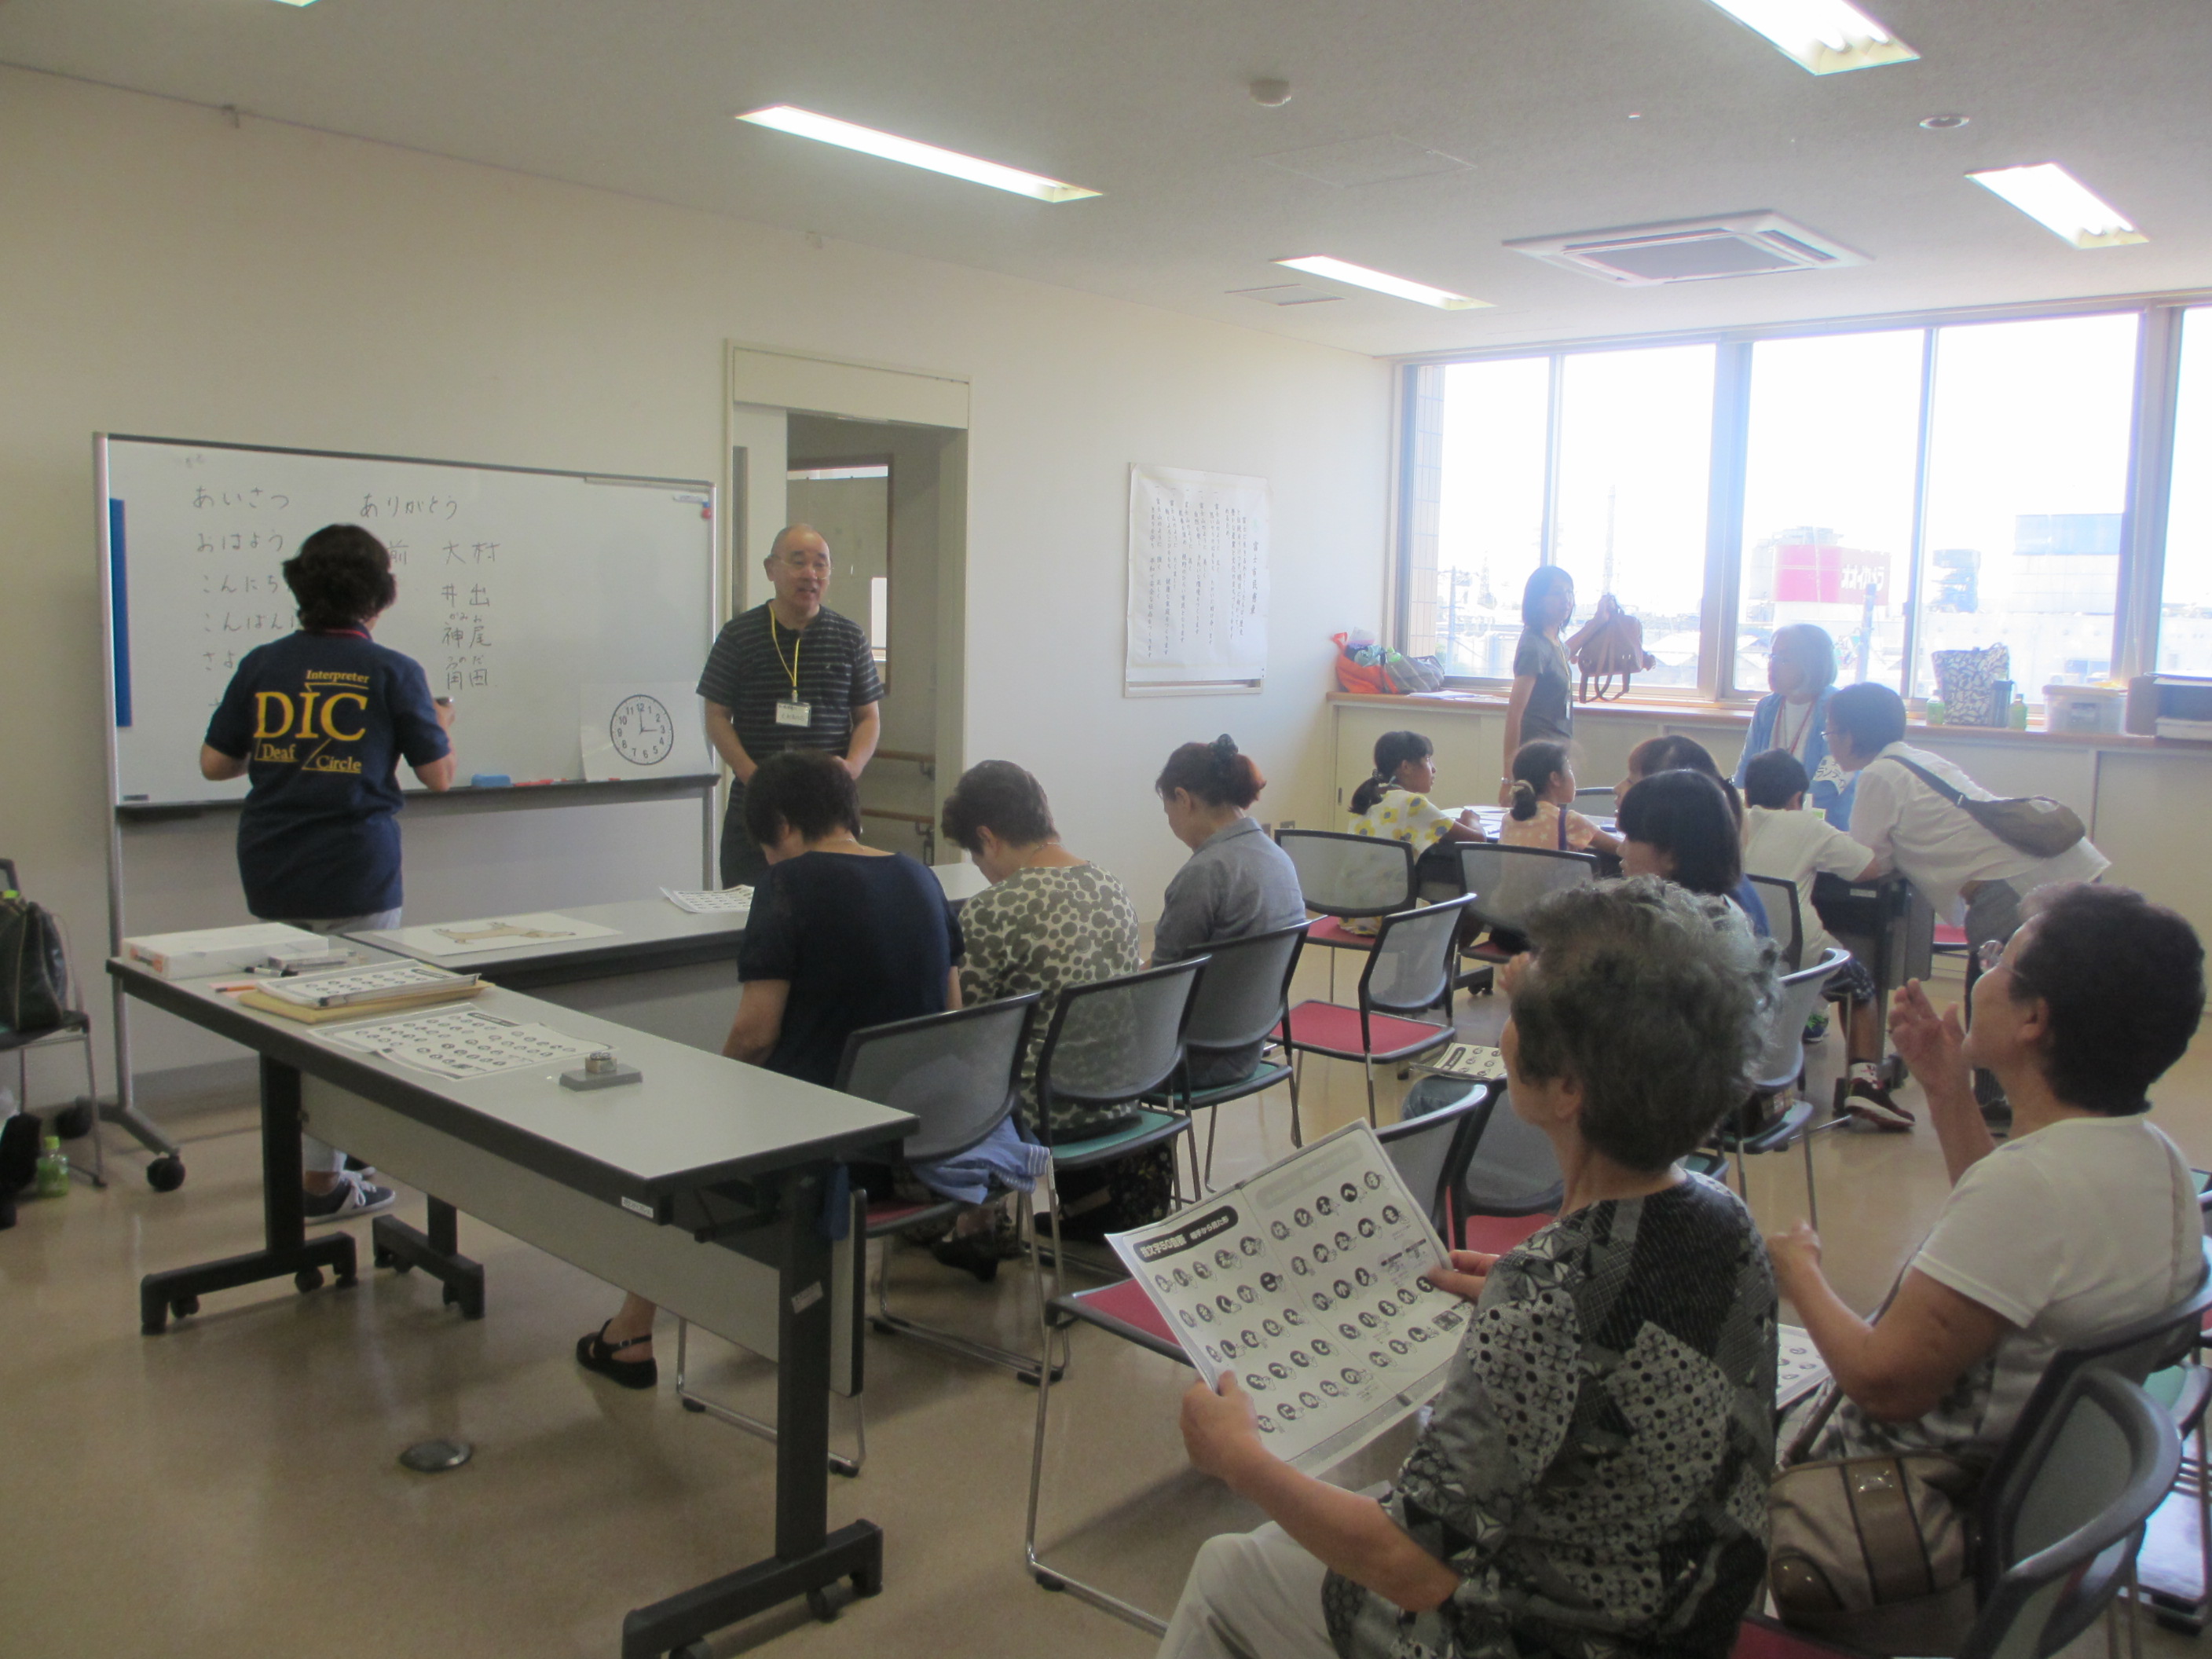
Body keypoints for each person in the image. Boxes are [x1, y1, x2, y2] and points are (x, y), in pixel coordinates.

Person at [1160, 879, 1779, 1659]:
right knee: (1297, 1539)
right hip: (1684, 1619)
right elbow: (1641, 1355)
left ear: (1567, 1089)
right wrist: (1531, 1309)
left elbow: (1411, 1567)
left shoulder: (1549, 1292)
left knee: (1228, 1568)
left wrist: (1240, 1459)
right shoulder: (1728, 1223)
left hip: (1546, 1638)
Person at [1771, 885, 2202, 1493]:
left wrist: (1800, 1272)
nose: (1985, 968)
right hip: (2035, 1482)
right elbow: (2015, 1245)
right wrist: (1949, 1090)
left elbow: (1882, 1384)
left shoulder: (2029, 1190)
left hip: (1888, 1503)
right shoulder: (2158, 1160)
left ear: (2034, 1019)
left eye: (2000, 959)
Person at [576, 749, 958, 1388]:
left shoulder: (790, 886)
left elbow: (755, 1035)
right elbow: (952, 1013)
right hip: (915, 1137)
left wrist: (713, 1092)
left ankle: (632, 1332)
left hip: (820, 1146)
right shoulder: (921, 878)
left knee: (677, 1146)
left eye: (766, 847)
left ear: (781, 825)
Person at [200, 524, 454, 1223]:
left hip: (274, 865)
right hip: (354, 870)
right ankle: (320, 1184)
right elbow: (438, 775)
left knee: (295, 1018)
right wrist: (439, 721)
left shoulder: (263, 664)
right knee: (350, 1027)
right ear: (381, 595)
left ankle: (330, 1156)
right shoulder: (392, 670)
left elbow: (216, 764)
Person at [1822, 682, 2109, 1128]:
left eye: (1831, 732)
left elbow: (1867, 862)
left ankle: (1997, 1101)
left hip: (2015, 884)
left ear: (1852, 734)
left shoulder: (1879, 775)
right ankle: (2053, 1096)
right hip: (2061, 866)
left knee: (1996, 991)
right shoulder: (1918, 759)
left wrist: (1821, 846)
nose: (1829, 741)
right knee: (2052, 993)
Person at [941, 760, 1141, 1131]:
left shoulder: (993, 908)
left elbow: (962, 1035)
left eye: (976, 856)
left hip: (1036, 1112)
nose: (983, 871)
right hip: (1120, 1099)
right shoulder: (1111, 886)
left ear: (987, 838)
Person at [696, 524, 882, 892]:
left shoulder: (849, 636)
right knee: (751, 903)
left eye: (820, 564)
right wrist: (751, 774)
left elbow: (868, 717)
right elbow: (716, 715)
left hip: (828, 807)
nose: (810, 574)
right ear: (771, 569)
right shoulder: (738, 635)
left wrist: (852, 766)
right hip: (758, 801)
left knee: (830, 904)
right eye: (798, 563)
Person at [1741, 750, 1902, 1129]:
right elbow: (1867, 868)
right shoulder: (1809, 826)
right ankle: (1864, 1082)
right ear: (1797, 797)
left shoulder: (1733, 821)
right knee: (1859, 983)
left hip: (1742, 951)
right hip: (1797, 955)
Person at [1152, 736, 1308, 1086]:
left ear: (1183, 799)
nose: (1171, 823)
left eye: (1168, 811)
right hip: (1249, 1046)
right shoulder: (1278, 859)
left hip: (1185, 1059)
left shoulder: (1205, 872)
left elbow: (1161, 983)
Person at [1347, 731, 1488, 916]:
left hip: (1351, 912)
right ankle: (1457, 937)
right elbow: (1478, 839)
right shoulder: (1412, 803)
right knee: (1474, 902)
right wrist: (1471, 818)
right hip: (1389, 915)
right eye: (1428, 759)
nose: (1434, 768)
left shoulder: (1369, 797)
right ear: (1406, 767)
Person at [1617, 769, 1769, 936]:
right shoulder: (1725, 908)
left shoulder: (1670, 933)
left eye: (1629, 837)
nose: (1620, 849)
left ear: (1672, 855)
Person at [1732, 624, 1855, 826]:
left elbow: (1827, 789)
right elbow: (1746, 772)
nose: (1772, 666)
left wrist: (1782, 822)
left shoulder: (1838, 709)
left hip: (1822, 825)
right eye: (1771, 657)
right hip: (1767, 821)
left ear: (1811, 664)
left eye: (1783, 659)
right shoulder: (1766, 707)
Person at [1500, 566, 1577, 805]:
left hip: (1557, 747)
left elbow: (1565, 653)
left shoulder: (1554, 640)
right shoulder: (1533, 644)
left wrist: (1599, 623)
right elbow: (1515, 714)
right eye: (1557, 593)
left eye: (1569, 592)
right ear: (1538, 600)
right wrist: (1508, 779)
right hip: (1537, 755)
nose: (1566, 600)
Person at [1499, 739, 1618, 855]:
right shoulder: (1568, 821)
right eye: (1569, 769)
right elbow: (1621, 849)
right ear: (1555, 778)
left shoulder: (1508, 819)